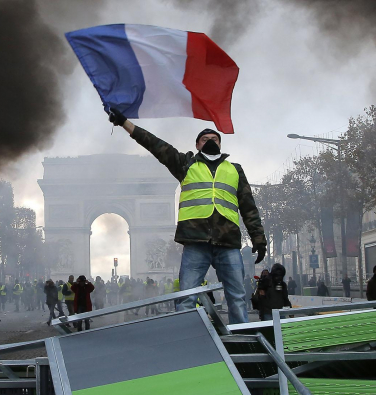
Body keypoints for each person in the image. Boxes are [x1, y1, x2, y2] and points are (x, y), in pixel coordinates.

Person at [108, 111, 267, 325]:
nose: (210, 141)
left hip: (227, 242)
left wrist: (259, 237)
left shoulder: (235, 170)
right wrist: (126, 123)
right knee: (186, 298)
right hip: (196, 241)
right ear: (198, 145)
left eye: (214, 139)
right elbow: (155, 145)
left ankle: (243, 342)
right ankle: (188, 338)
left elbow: (249, 207)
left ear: (220, 144)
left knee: (237, 298)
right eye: (205, 139)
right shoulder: (185, 164)